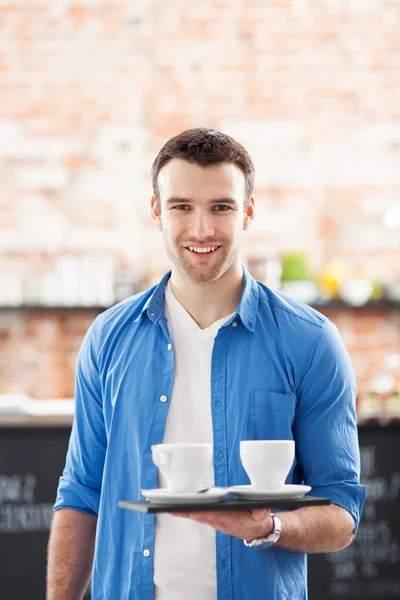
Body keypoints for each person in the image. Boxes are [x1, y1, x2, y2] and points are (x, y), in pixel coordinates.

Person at [47, 128, 366, 600]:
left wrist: (268, 527)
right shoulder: (108, 339)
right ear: (156, 212)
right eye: (181, 207)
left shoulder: (311, 342)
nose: (201, 229)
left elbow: (342, 513)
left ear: (248, 212)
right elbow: (80, 496)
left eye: (221, 207)